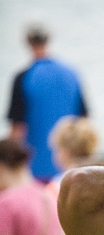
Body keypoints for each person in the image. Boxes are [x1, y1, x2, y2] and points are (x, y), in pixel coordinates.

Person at [6, 23, 88, 183]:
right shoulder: (72, 74)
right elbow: (84, 120)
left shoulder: (23, 77)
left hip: (35, 171)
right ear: (48, 40)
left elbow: (18, 130)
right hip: (69, 168)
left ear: (28, 42)